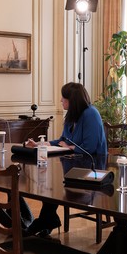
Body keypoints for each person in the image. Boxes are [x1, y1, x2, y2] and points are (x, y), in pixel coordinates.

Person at [25, 82, 107, 236]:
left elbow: (89, 147)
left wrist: (70, 147)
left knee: (55, 186)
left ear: (72, 100)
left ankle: (46, 221)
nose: (61, 100)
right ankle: (47, 220)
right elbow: (63, 140)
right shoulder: (72, 115)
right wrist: (40, 144)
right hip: (74, 165)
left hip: (92, 169)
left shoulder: (91, 114)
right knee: (50, 184)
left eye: (63, 98)